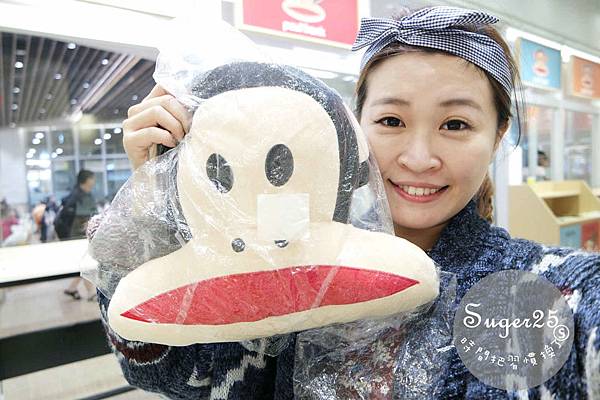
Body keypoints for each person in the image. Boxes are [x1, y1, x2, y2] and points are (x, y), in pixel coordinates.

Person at [96, 6, 600, 399]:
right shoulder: (283, 258)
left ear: (498, 135)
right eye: (391, 121)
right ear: (355, 127)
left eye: (456, 125)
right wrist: (152, 205)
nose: (418, 157)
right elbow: (166, 371)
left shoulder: (529, 292)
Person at [62, 170, 98, 300]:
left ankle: (72, 288)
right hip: (79, 235)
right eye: (92, 178)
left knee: (83, 262)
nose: (94, 181)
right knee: (85, 262)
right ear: (86, 180)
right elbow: (85, 217)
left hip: (78, 234)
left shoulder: (79, 194)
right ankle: (90, 292)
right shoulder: (81, 196)